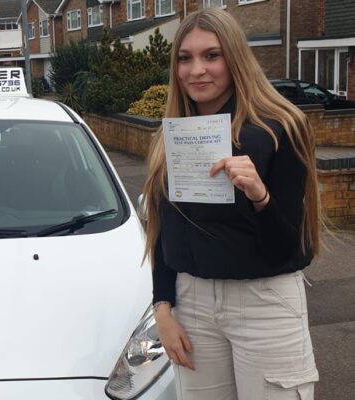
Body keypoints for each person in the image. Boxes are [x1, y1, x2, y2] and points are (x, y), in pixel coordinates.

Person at [142, 8, 321, 400]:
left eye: (212, 55)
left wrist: (259, 195)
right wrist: (163, 307)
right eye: (185, 58)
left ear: (235, 57)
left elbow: (286, 245)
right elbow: (164, 232)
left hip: (264, 300)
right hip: (192, 302)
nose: (196, 70)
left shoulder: (279, 128)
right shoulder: (171, 136)